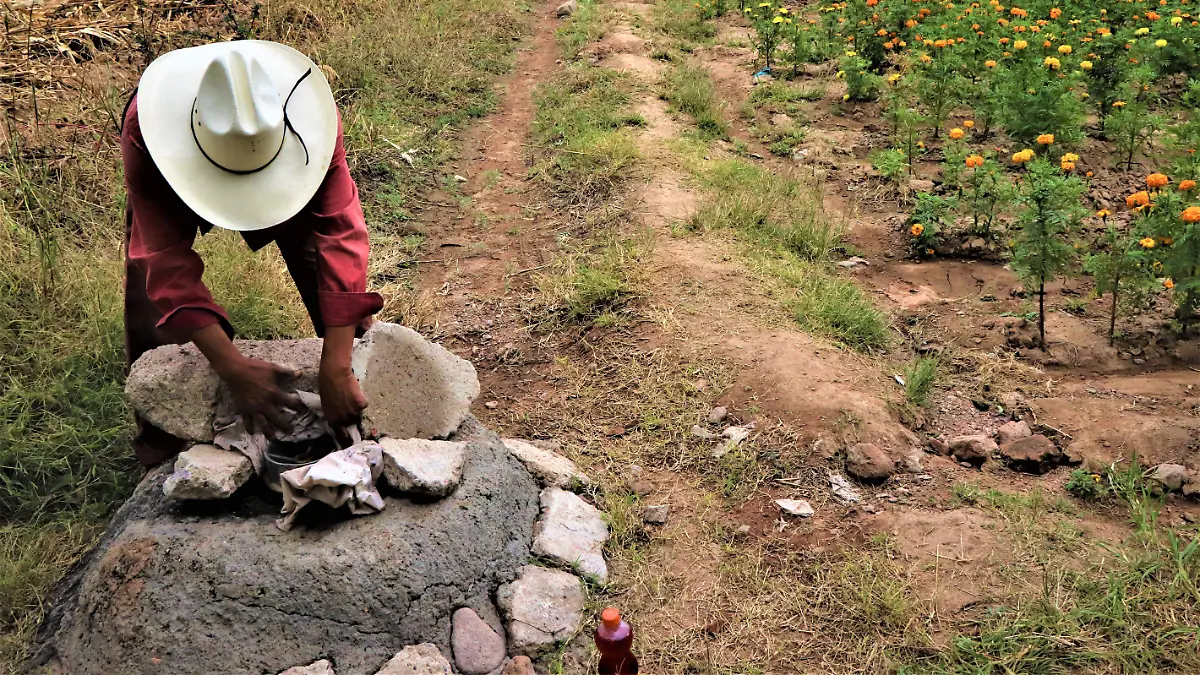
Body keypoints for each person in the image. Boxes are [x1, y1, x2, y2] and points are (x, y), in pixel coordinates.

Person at [121, 40, 383, 467]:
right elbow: (164, 260)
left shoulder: (309, 121)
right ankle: (163, 440)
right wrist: (231, 367)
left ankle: (357, 388)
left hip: (286, 154)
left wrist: (335, 364)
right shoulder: (147, 132)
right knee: (147, 290)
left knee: (321, 264)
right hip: (172, 163)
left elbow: (339, 234)